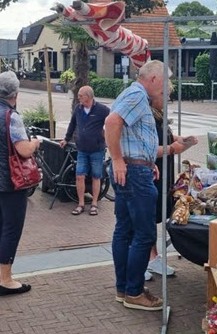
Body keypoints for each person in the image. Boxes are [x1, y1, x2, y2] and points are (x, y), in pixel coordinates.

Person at [105, 59, 168, 311]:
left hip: (134, 168)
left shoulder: (134, 94)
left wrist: (145, 159)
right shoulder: (137, 94)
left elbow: (129, 133)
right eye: (164, 82)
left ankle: (124, 288)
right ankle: (133, 291)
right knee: (144, 233)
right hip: (133, 172)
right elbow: (111, 123)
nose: (165, 87)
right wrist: (120, 159)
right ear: (153, 78)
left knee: (125, 229)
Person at [0, 71, 40, 296]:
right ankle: (7, 280)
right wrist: (34, 143)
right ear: (15, 92)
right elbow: (23, 149)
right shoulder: (11, 116)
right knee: (11, 228)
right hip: (10, 181)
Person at [146, 87, 197, 280]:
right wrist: (170, 148)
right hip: (152, 173)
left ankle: (152, 257)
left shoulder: (159, 115)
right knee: (146, 220)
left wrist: (182, 140)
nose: (168, 98)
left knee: (154, 217)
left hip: (162, 173)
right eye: (165, 95)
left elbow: (165, 137)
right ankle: (144, 260)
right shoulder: (147, 116)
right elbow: (146, 148)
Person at [60, 86, 110, 216]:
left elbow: (112, 123)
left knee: (96, 176)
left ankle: (94, 204)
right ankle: (81, 204)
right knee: (79, 175)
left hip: (97, 150)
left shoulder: (102, 110)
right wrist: (66, 139)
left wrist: (108, 137)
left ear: (88, 96)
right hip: (82, 149)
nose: (78, 97)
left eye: (81, 95)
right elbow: (72, 124)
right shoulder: (78, 108)